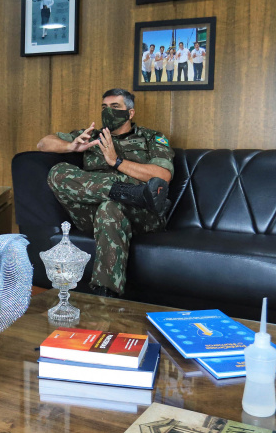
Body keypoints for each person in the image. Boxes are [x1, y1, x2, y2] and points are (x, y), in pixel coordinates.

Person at [38, 89, 174, 297]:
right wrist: (71, 146)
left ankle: (105, 297)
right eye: (104, 107)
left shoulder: (151, 138)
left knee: (109, 208)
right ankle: (128, 191)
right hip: (90, 211)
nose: (108, 112)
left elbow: (162, 176)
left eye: (115, 107)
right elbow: (43, 143)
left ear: (130, 113)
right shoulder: (90, 136)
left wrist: (117, 162)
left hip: (139, 212)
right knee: (57, 172)